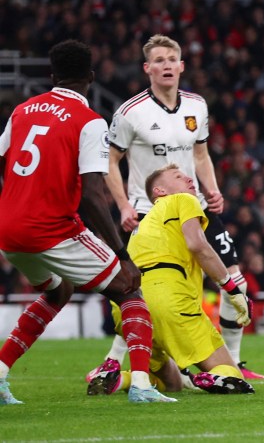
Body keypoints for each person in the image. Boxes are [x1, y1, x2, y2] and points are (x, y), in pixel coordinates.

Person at [0, 40, 174, 404]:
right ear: (91, 77)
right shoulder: (89, 121)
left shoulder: (22, 110)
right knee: (128, 289)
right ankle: (141, 385)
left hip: (9, 229)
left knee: (58, 290)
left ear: (52, 76)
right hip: (52, 229)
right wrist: (121, 253)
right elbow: (92, 194)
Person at [88, 34, 264, 383]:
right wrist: (122, 205)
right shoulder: (129, 112)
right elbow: (110, 160)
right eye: (159, 60)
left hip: (194, 206)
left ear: (182, 65)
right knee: (140, 288)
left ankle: (236, 361)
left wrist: (212, 190)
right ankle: (114, 361)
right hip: (148, 212)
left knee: (236, 282)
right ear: (147, 68)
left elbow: (201, 154)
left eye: (172, 59)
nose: (166, 65)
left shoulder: (197, 106)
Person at [98, 164, 254, 396]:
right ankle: (212, 377)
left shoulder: (141, 228)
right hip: (169, 302)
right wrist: (231, 289)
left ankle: (123, 379)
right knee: (233, 376)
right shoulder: (183, 200)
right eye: (178, 177)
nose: (189, 179)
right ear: (160, 191)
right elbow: (198, 245)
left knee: (173, 384)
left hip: (130, 309)